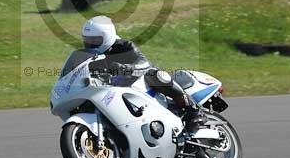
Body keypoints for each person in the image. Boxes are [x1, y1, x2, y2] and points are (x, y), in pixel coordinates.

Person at [63, 15, 205, 132]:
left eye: (95, 40)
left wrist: (123, 67)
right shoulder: (89, 56)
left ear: (107, 37)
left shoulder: (124, 46)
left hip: (139, 83)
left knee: (155, 74)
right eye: (88, 40)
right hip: (113, 92)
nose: (91, 43)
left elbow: (144, 64)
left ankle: (193, 110)